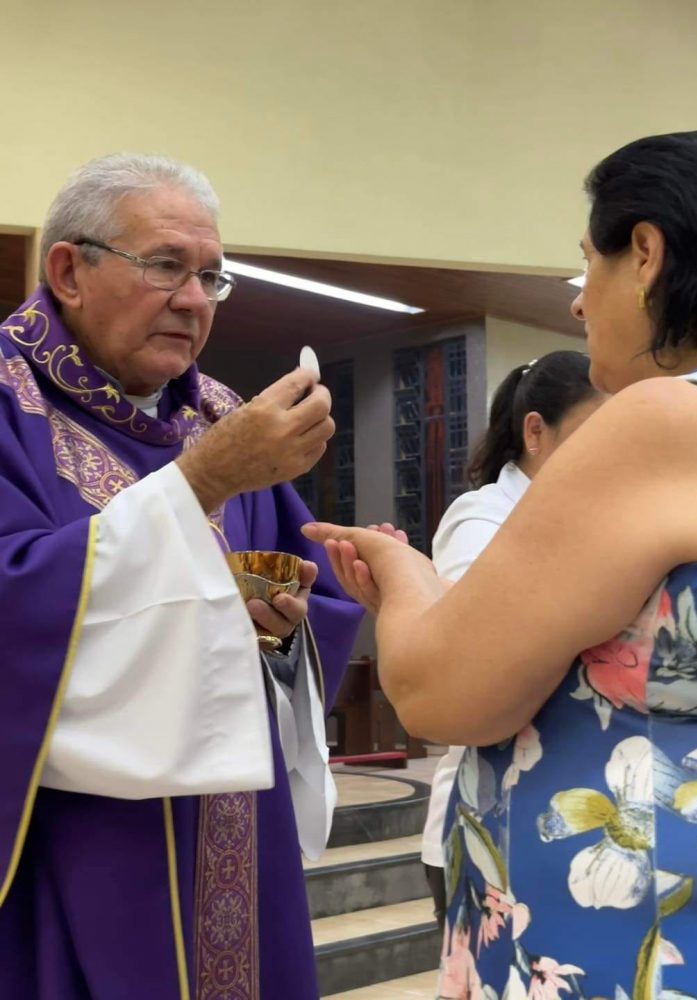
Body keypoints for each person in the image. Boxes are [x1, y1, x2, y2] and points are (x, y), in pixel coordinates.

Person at [304, 129, 697, 999]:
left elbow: (448, 694)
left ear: (647, 253)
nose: (580, 304)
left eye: (588, 265)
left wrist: (404, 579)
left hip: (646, 942)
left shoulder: (672, 420)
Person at [0, 153, 362, 1000]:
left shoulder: (225, 417)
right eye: (166, 265)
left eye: (211, 277)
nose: (195, 300)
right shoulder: (11, 403)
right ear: (69, 272)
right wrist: (199, 482)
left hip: (238, 835)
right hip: (80, 842)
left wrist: (284, 629)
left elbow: (296, 597)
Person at [421, 351, 602, 935]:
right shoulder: (481, 517)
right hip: (489, 815)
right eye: (592, 434)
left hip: (561, 806)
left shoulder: (588, 517)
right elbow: (486, 651)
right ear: (535, 432)